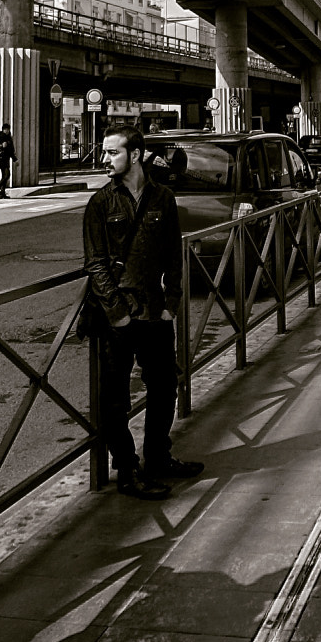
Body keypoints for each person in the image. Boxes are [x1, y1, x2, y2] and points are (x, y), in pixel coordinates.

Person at [82, 126, 204, 499]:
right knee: (115, 398)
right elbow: (95, 263)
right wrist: (117, 312)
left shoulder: (162, 198)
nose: (104, 159)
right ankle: (127, 470)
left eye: (111, 152)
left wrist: (172, 303)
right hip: (117, 315)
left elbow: (173, 254)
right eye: (104, 152)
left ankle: (157, 457)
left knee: (165, 387)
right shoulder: (101, 203)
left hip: (154, 310)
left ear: (134, 155)